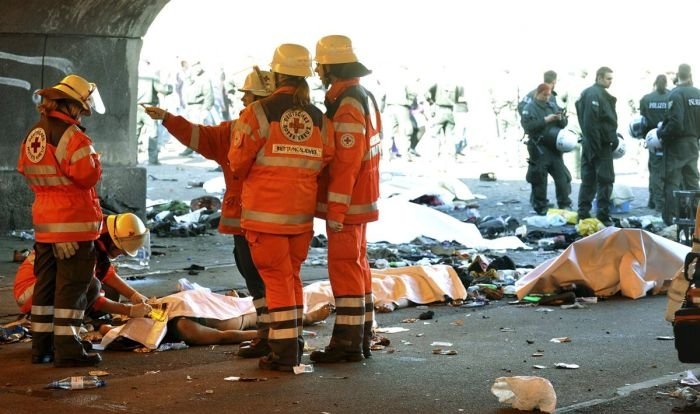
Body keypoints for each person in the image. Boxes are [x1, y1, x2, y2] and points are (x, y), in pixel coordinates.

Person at [143, 68, 274, 359]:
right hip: (278, 220)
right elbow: (200, 136)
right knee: (268, 279)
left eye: (247, 96)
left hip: (254, 220)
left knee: (261, 279)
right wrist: (167, 118)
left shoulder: (237, 130)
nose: (242, 101)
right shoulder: (282, 130)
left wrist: (167, 118)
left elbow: (201, 137)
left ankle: (276, 338)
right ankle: (277, 336)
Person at [228, 43, 334, 372]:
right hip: (300, 217)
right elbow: (327, 157)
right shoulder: (318, 118)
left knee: (275, 281)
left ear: (275, 75)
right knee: (292, 278)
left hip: (264, 216)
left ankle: (285, 350)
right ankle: (294, 342)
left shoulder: (258, 112)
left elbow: (237, 161)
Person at [17, 74, 105, 367]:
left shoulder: (35, 133)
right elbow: (86, 176)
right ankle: (68, 351)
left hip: (46, 224)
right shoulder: (72, 136)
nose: (82, 113)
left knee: (46, 287)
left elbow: (25, 171)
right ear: (72, 106)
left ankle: (41, 349)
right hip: (73, 224)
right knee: (73, 287)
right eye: (81, 107)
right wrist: (96, 160)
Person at [311, 35, 382, 363]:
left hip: (350, 201)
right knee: (357, 265)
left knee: (345, 267)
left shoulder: (349, 102)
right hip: (362, 197)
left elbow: (346, 161)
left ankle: (348, 345)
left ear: (330, 66)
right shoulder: (360, 97)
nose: (318, 70)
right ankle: (361, 336)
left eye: (321, 65)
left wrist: (336, 208)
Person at [14, 213, 152, 320]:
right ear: (111, 240)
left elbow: (107, 274)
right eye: (119, 250)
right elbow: (91, 292)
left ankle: (69, 317)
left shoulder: (96, 232)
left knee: (109, 292)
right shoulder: (86, 246)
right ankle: (58, 323)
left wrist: (134, 295)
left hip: (42, 286)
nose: (119, 255)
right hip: (32, 294)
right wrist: (128, 310)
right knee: (93, 287)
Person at [575, 66, 618, 226]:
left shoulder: (589, 93)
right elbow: (592, 122)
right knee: (605, 180)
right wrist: (597, 146)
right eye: (608, 78)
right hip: (599, 144)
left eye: (611, 79)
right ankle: (602, 214)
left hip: (590, 142)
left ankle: (583, 213)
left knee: (589, 179)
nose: (610, 82)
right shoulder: (595, 94)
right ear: (599, 77)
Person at [658, 64, 700, 225]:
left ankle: (671, 219)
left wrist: (661, 133)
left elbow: (676, 123)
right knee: (692, 182)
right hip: (693, 144)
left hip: (677, 144)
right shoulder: (698, 93)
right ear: (690, 75)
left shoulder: (676, 94)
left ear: (678, 75)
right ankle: (695, 219)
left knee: (672, 182)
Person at [520, 83, 572, 215]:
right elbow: (528, 127)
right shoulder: (529, 108)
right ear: (537, 93)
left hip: (554, 147)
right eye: (544, 95)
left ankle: (564, 204)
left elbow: (563, 124)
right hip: (539, 148)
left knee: (562, 178)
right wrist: (545, 120)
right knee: (539, 179)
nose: (547, 98)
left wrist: (561, 119)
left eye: (548, 95)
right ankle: (541, 205)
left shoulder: (552, 105)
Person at [639, 74, 670, 212]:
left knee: (655, 170)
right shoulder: (672, 96)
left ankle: (654, 201)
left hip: (652, 139)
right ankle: (662, 202)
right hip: (668, 138)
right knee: (668, 171)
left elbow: (642, 121)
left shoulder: (646, 99)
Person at [136, 59, 173, 165]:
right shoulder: (151, 76)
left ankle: (133, 159)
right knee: (152, 133)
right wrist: (170, 87)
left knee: (135, 134)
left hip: (136, 107)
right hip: (149, 108)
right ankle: (152, 160)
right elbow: (163, 89)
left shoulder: (135, 75)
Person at [180, 61, 215, 156]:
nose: (197, 68)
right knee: (190, 129)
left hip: (198, 106)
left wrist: (206, 109)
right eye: (195, 65)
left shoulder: (205, 78)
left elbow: (209, 95)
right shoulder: (189, 77)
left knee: (198, 130)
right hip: (189, 106)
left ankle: (203, 149)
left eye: (198, 65)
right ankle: (191, 148)